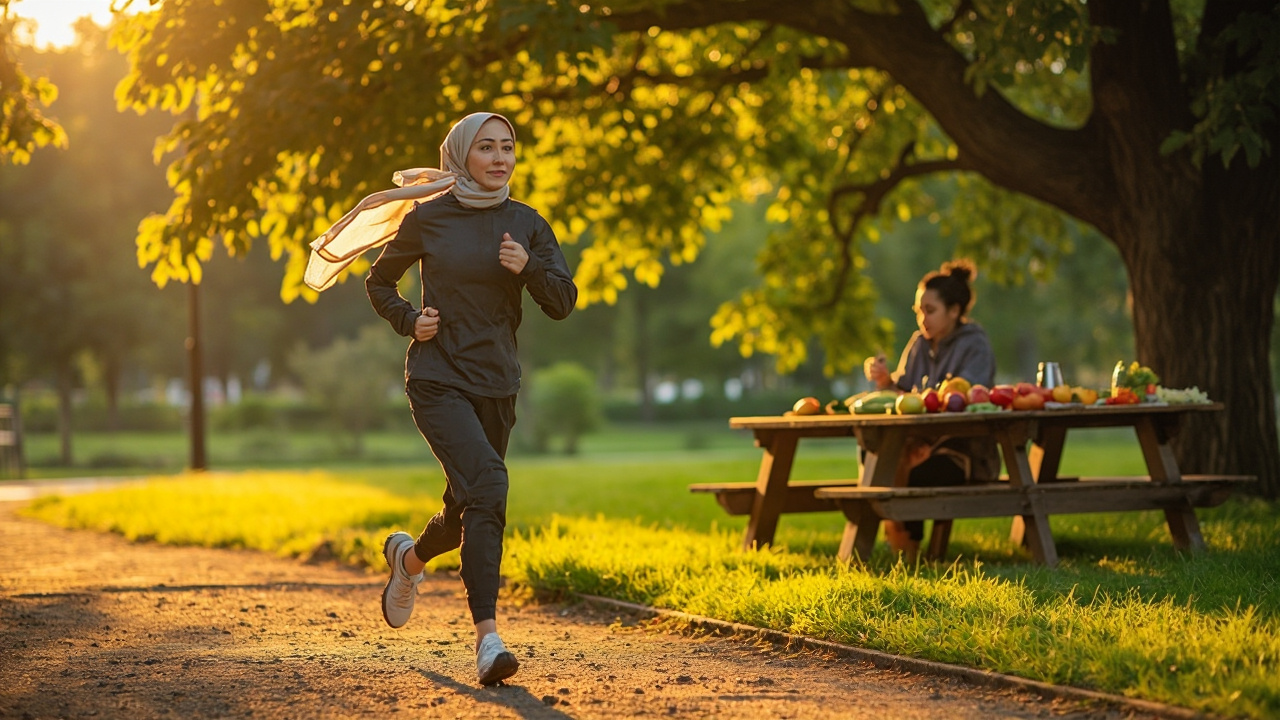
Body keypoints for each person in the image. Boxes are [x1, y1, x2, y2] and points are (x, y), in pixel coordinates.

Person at [365, 112, 578, 686]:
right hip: (437, 379)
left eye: (507, 147)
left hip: (497, 385)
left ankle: (408, 560)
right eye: (486, 147)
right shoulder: (428, 218)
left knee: (466, 507)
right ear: (461, 155)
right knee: (490, 484)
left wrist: (528, 268)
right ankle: (488, 639)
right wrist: (410, 320)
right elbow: (379, 282)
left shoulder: (527, 223)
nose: (499, 158)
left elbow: (563, 301)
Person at [862, 259, 999, 561]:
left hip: (962, 452)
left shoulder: (975, 344)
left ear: (954, 311)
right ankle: (901, 545)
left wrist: (927, 440)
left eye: (930, 310)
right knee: (874, 456)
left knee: (917, 471)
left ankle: (907, 549)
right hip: (916, 442)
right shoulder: (919, 345)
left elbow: (965, 398)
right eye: (918, 311)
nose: (922, 319)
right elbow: (903, 395)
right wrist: (885, 382)